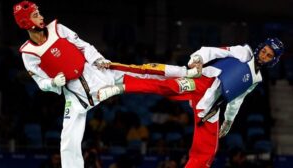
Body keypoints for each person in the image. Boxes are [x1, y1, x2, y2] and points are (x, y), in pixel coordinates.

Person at [12, 1, 200, 168]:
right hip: (76, 95)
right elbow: (40, 82)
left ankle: (185, 73)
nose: (41, 16)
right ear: (25, 22)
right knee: (68, 141)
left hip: (97, 74)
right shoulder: (28, 53)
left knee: (142, 71)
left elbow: (84, 46)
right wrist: (52, 83)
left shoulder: (57, 29)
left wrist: (98, 59)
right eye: (36, 15)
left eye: (39, 13)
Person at [98, 37, 284, 167]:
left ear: (273, 61)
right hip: (201, 82)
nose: (263, 56)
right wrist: (197, 59)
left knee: (208, 151)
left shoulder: (257, 79)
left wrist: (229, 119)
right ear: (261, 47)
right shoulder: (244, 52)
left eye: (269, 56)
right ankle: (121, 85)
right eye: (264, 51)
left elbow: (238, 97)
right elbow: (212, 51)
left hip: (212, 106)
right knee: (167, 86)